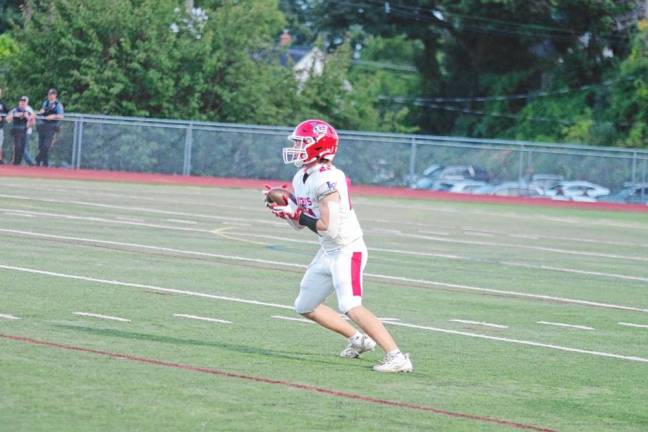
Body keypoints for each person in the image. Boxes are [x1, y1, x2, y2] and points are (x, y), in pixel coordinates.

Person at [265, 119, 413, 373]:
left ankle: (397, 356)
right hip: (328, 250)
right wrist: (287, 213)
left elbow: (328, 227)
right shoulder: (302, 176)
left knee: (350, 305)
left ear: (319, 147)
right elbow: (302, 225)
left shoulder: (329, 179)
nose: (297, 147)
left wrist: (297, 214)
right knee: (305, 306)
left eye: (302, 142)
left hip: (347, 248)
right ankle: (359, 340)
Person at [35, 88, 64, 167]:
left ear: (55, 95)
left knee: (46, 145)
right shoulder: (46, 103)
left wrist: (54, 116)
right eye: (49, 94)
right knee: (41, 145)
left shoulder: (58, 104)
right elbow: (43, 111)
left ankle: (38, 158)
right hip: (43, 124)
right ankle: (45, 163)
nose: (49, 96)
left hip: (52, 126)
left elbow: (61, 116)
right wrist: (40, 112)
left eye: (51, 94)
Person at [6, 96, 35, 165]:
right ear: (19, 102)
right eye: (21, 102)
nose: (22, 103)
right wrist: (15, 115)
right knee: (17, 147)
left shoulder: (28, 111)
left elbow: (33, 122)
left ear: (26, 103)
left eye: (24, 102)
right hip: (16, 130)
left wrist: (27, 118)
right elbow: (8, 119)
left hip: (24, 131)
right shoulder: (14, 110)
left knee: (22, 148)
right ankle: (16, 163)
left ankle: (19, 163)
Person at [0, 88, 8, 164]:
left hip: (0, 127)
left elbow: (9, 112)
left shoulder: (2, 103)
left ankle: (0, 159)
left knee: (0, 144)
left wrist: (3, 118)